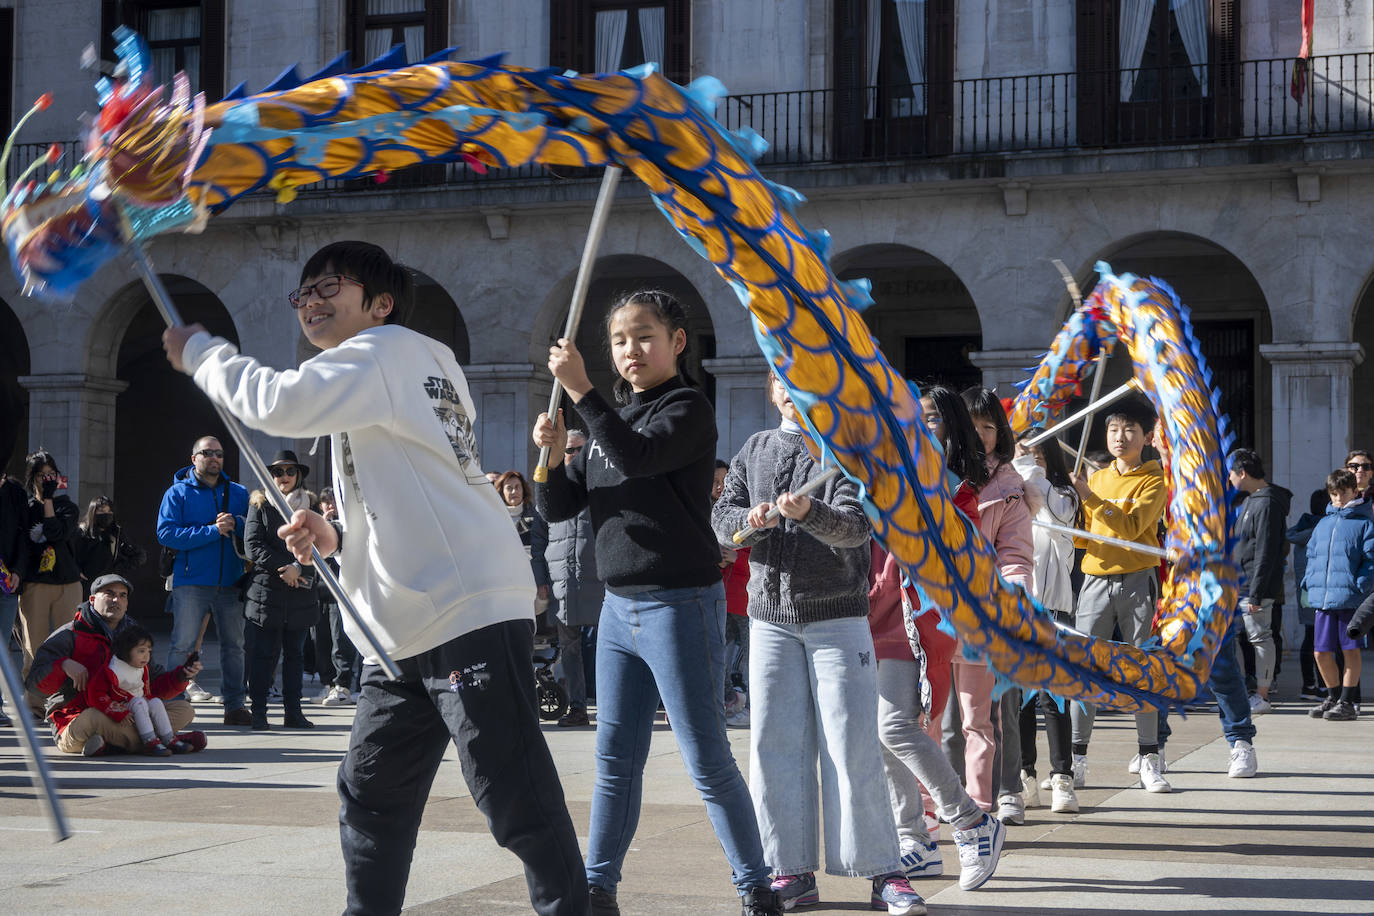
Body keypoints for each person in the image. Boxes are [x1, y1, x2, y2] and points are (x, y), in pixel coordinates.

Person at [163, 240, 587, 916]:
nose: (310, 302)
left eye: (329, 286)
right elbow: (412, 490)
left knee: (511, 791)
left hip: (464, 607)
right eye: (301, 293)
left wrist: (201, 352)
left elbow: (276, 403)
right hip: (399, 630)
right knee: (370, 797)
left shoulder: (385, 352)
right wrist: (337, 539)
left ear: (380, 304)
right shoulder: (399, 367)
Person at [533, 288, 781, 916]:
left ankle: (755, 885)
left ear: (677, 341)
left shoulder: (688, 407)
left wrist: (585, 397)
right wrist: (557, 452)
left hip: (679, 603)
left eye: (644, 336)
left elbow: (638, 458)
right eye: (619, 340)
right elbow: (560, 508)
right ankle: (599, 885)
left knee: (706, 757)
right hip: (618, 609)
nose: (630, 350)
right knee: (614, 759)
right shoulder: (605, 419)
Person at [712, 372, 924, 915]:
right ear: (768, 388)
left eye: (799, 377)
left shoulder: (846, 451)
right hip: (769, 620)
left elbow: (856, 529)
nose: (789, 387)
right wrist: (750, 523)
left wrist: (811, 514)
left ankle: (884, 871)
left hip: (836, 618)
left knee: (853, 744)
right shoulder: (754, 448)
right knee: (773, 746)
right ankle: (790, 869)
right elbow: (722, 519)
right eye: (779, 379)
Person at [866, 391, 1004, 892]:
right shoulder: (880, 475)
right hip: (869, 613)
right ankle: (916, 841)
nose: (918, 429)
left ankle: (971, 821)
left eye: (930, 421)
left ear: (950, 430)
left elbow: (963, 554)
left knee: (895, 727)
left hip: (919, 621)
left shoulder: (957, 490)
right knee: (880, 736)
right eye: (909, 420)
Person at [1068, 394, 1171, 792]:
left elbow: (1129, 529)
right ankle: (1075, 761)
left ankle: (1149, 757)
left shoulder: (1154, 479)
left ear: (1147, 436)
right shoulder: (1095, 475)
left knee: (1142, 671)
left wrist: (1091, 498)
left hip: (1137, 583)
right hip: (1093, 581)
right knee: (1084, 671)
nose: (1120, 436)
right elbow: (1081, 532)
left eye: (1129, 429)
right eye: (1113, 428)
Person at [958, 387, 1034, 826]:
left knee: (991, 710)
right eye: (972, 426)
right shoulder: (931, 474)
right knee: (939, 716)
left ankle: (992, 800)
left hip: (988, 611)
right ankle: (939, 801)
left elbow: (1016, 555)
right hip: (934, 609)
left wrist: (1015, 596)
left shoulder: (1009, 487)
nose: (981, 435)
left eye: (989, 426)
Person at [24, 574, 204, 756]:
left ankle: (118, 744)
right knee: (92, 718)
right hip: (80, 716)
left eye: (122, 595)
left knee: (184, 710)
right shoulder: (68, 635)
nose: (116, 600)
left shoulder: (135, 635)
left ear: (126, 603)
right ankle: (159, 741)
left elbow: (153, 684)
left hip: (127, 713)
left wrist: (182, 676)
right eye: (109, 594)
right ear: (92, 599)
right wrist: (63, 665)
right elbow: (35, 687)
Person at [156, 435, 252, 726]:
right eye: (207, 453)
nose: (214, 458)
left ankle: (235, 705)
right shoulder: (177, 493)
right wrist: (212, 531)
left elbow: (255, 532)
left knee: (234, 646)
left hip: (232, 582)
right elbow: (166, 534)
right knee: (182, 645)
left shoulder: (238, 493)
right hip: (192, 582)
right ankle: (173, 704)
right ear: (193, 458)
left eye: (219, 454)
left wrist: (238, 524)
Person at [1012, 434, 1081, 813]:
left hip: (1052, 608)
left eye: (1038, 454)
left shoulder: (1064, 496)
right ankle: (1025, 776)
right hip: (1017, 607)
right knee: (1019, 700)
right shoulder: (1010, 492)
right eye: (1025, 453)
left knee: (1053, 697)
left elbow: (1053, 516)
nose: (1030, 460)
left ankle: (1062, 779)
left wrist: (1029, 470)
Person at [244, 450, 319, 731]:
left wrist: (299, 569)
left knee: (296, 655)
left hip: (300, 592)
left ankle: (293, 712)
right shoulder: (259, 503)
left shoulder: (310, 504)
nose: (284, 477)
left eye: (289, 471)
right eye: (278, 472)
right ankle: (260, 712)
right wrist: (285, 567)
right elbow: (253, 545)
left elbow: (320, 545)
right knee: (263, 654)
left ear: (298, 474)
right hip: (268, 592)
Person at [1301, 468, 1374, 722]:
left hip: (1351, 599)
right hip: (1323, 598)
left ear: (1355, 491)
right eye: (1334, 494)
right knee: (1320, 652)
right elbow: (1312, 555)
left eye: (1343, 493)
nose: (1339, 499)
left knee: (1350, 651)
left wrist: (1359, 585)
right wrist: (1308, 581)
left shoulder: (1365, 523)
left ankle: (1347, 701)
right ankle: (1332, 696)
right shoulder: (1324, 522)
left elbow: (1371, 560)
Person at [544, 430, 603, 728]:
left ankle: (609, 707)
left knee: (608, 647)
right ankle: (578, 708)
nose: (575, 456)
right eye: (569, 450)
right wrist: (540, 579)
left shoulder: (601, 486)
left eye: (581, 450)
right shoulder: (552, 488)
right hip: (561, 583)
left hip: (599, 581)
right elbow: (540, 539)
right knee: (569, 650)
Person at [17, 450, 83, 717]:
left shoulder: (67, 506)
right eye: (42, 475)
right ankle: (33, 704)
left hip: (67, 583)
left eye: (51, 474)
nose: (47, 480)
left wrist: (48, 501)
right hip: (35, 584)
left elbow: (56, 532)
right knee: (35, 646)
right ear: (32, 477)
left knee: (72, 645)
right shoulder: (24, 507)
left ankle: (68, 702)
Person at [1228, 448, 1291, 713]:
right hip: (1240, 583)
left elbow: (1266, 550)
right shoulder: (1250, 501)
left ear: (1242, 472)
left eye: (1231, 473)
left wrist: (1256, 593)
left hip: (1255, 586)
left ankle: (1262, 695)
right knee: (1243, 638)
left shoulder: (1266, 503)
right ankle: (1249, 690)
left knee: (1260, 638)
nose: (1229, 478)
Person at [87, 623, 196, 755]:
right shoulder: (112, 669)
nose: (146, 656)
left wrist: (182, 675)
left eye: (149, 651)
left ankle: (168, 738)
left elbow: (151, 690)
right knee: (139, 703)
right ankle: (149, 741)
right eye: (141, 651)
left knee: (156, 702)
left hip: (140, 705)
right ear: (126, 650)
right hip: (122, 712)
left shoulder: (142, 667)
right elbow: (95, 694)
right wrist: (117, 711)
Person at [714, 458, 751, 728]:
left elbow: (761, 556)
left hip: (745, 598)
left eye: (724, 481)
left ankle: (743, 702)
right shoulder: (707, 511)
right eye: (714, 482)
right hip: (721, 598)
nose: (720, 487)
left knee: (746, 656)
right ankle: (729, 702)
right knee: (721, 655)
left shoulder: (745, 510)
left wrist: (735, 560)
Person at [313, 486, 358, 706]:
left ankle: (343, 685)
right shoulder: (317, 522)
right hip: (319, 590)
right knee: (320, 639)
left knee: (340, 639)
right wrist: (322, 523)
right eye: (325, 501)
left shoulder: (348, 524)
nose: (329, 505)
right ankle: (328, 684)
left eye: (332, 501)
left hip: (341, 590)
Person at [496, 469, 553, 628]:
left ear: (523, 489)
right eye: (509, 488)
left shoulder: (536, 518)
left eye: (517, 487)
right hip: (503, 586)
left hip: (531, 585)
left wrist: (542, 583)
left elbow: (542, 553)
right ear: (501, 491)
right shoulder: (493, 519)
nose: (514, 491)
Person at [0, 473, 31, 727]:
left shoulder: (15, 493)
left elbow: (24, 536)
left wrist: (19, 571)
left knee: (1, 647)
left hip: (6, 581)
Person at [75, 496, 148, 594]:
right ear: (93, 512)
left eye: (109, 511)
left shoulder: (116, 533)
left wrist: (117, 570)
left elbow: (137, 555)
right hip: (84, 585)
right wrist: (77, 571)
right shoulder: (82, 531)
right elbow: (70, 555)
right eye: (101, 511)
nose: (106, 515)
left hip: (107, 585)